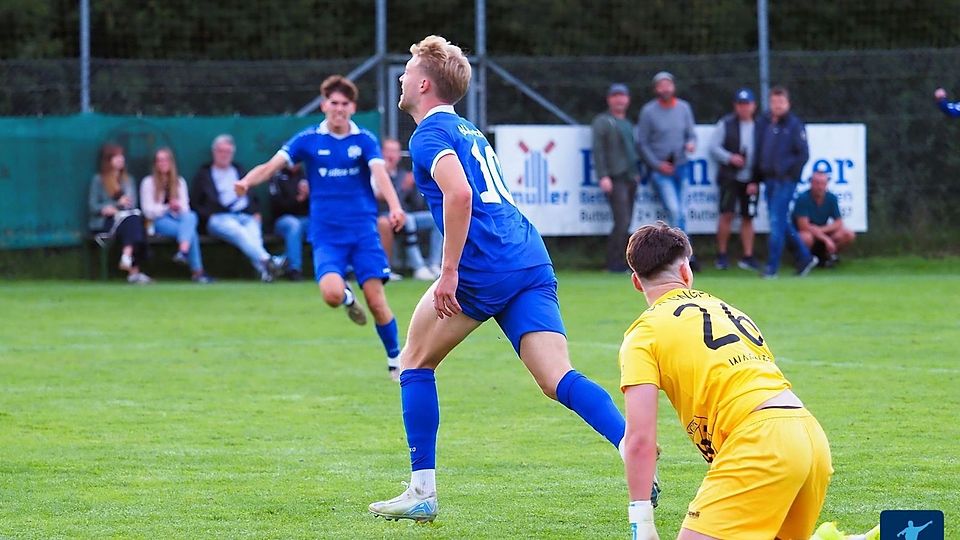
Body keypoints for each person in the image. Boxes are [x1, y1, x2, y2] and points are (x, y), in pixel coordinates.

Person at [367, 35, 656, 523]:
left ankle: (422, 492)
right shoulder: (469, 131)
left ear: (424, 84)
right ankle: (632, 445)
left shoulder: (429, 134)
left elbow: (460, 195)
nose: (401, 76)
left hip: (484, 265)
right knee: (556, 377)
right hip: (528, 257)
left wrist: (449, 272)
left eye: (408, 69)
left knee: (414, 362)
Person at [619, 221, 832, 540]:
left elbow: (639, 439)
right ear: (686, 272)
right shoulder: (727, 310)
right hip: (809, 435)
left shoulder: (643, 333)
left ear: (637, 282)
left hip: (760, 442)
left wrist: (642, 520)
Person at [234, 75, 407, 380]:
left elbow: (380, 175)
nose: (339, 108)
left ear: (352, 107)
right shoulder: (308, 140)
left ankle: (396, 360)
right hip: (327, 234)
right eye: (333, 103)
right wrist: (247, 181)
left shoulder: (364, 140)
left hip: (363, 232)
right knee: (331, 295)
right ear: (325, 105)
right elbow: (272, 166)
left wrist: (394, 206)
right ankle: (347, 298)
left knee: (376, 301)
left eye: (344, 103)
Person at [191, 134, 285, 282]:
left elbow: (252, 194)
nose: (224, 155)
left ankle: (265, 271)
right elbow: (195, 203)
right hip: (218, 219)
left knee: (254, 235)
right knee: (239, 232)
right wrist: (209, 216)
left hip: (245, 216)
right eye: (221, 151)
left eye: (228, 151)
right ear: (214, 152)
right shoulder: (204, 174)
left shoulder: (239, 170)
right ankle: (268, 260)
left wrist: (256, 212)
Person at [635, 71, 699, 270]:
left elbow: (692, 135)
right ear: (656, 89)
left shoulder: (684, 108)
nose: (665, 88)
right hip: (661, 171)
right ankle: (683, 257)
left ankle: (680, 256)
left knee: (682, 213)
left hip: (681, 167)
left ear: (673, 87)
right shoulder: (648, 112)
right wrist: (656, 164)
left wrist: (691, 143)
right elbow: (642, 143)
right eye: (661, 85)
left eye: (668, 84)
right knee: (675, 211)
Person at [754, 86, 819, 278]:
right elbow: (758, 153)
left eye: (781, 102)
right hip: (768, 181)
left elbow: (803, 154)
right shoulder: (764, 123)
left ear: (788, 103)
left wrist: (790, 174)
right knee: (782, 222)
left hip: (785, 182)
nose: (777, 106)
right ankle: (805, 257)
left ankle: (772, 268)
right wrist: (756, 178)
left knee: (776, 223)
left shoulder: (794, 125)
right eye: (774, 102)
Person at [139, 147, 213, 283]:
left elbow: (185, 208)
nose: (163, 163)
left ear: (171, 162)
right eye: (159, 160)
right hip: (158, 221)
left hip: (178, 218)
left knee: (191, 216)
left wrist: (177, 206)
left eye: (166, 160)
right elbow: (148, 210)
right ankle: (197, 271)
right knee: (191, 233)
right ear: (155, 164)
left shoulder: (179, 182)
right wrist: (167, 207)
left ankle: (183, 252)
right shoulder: (148, 183)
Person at [708, 88, 761, 271]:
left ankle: (748, 256)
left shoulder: (760, 126)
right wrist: (730, 158)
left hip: (751, 178)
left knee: (748, 217)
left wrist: (757, 179)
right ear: (735, 106)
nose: (744, 108)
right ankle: (722, 255)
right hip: (729, 177)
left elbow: (764, 152)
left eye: (747, 104)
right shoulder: (726, 123)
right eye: (740, 104)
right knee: (727, 214)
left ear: (753, 106)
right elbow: (714, 147)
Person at [591, 83, 641, 272]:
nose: (619, 99)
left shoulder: (627, 123)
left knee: (627, 222)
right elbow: (598, 151)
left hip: (630, 177)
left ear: (628, 99)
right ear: (609, 99)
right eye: (615, 96)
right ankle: (614, 262)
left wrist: (635, 173)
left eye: (623, 95)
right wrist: (603, 175)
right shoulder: (603, 121)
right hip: (615, 177)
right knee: (622, 221)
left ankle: (623, 261)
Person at [375, 138, 439, 281]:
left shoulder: (404, 174)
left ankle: (434, 264)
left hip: (408, 215)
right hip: (384, 216)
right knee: (407, 219)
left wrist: (417, 185)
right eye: (388, 151)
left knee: (435, 219)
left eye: (394, 151)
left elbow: (417, 204)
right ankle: (419, 267)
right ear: (381, 152)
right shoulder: (376, 174)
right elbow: (381, 198)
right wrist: (402, 187)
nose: (391, 155)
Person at [88, 143, 151, 284]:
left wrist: (125, 205)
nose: (120, 159)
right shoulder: (98, 180)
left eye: (121, 156)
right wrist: (111, 207)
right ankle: (133, 270)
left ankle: (127, 258)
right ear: (108, 160)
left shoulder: (129, 180)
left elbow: (132, 205)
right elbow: (93, 206)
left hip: (126, 219)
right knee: (134, 224)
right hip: (106, 222)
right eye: (116, 157)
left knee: (133, 220)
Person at [794, 170, 855, 268]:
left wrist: (821, 230)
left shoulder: (831, 198)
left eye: (823, 183)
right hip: (809, 234)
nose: (820, 187)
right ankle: (805, 259)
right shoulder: (803, 198)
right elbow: (804, 226)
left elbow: (838, 222)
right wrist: (826, 239)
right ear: (811, 183)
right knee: (805, 237)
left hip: (821, 230)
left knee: (848, 234)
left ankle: (827, 257)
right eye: (817, 183)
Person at [269, 163, 310, 281]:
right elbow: (276, 206)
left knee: (322, 225)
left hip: (305, 220)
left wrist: (309, 195)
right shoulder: (276, 176)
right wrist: (299, 199)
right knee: (294, 225)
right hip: (282, 221)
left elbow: (317, 206)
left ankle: (280, 261)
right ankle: (294, 269)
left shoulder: (307, 175)